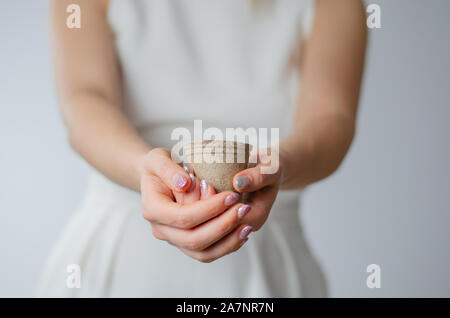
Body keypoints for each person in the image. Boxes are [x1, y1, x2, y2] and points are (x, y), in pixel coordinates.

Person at [38, 0, 366, 297]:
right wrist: (146, 172)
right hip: (116, 264)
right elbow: (84, 101)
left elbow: (332, 119)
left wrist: (279, 167)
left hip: (266, 267)